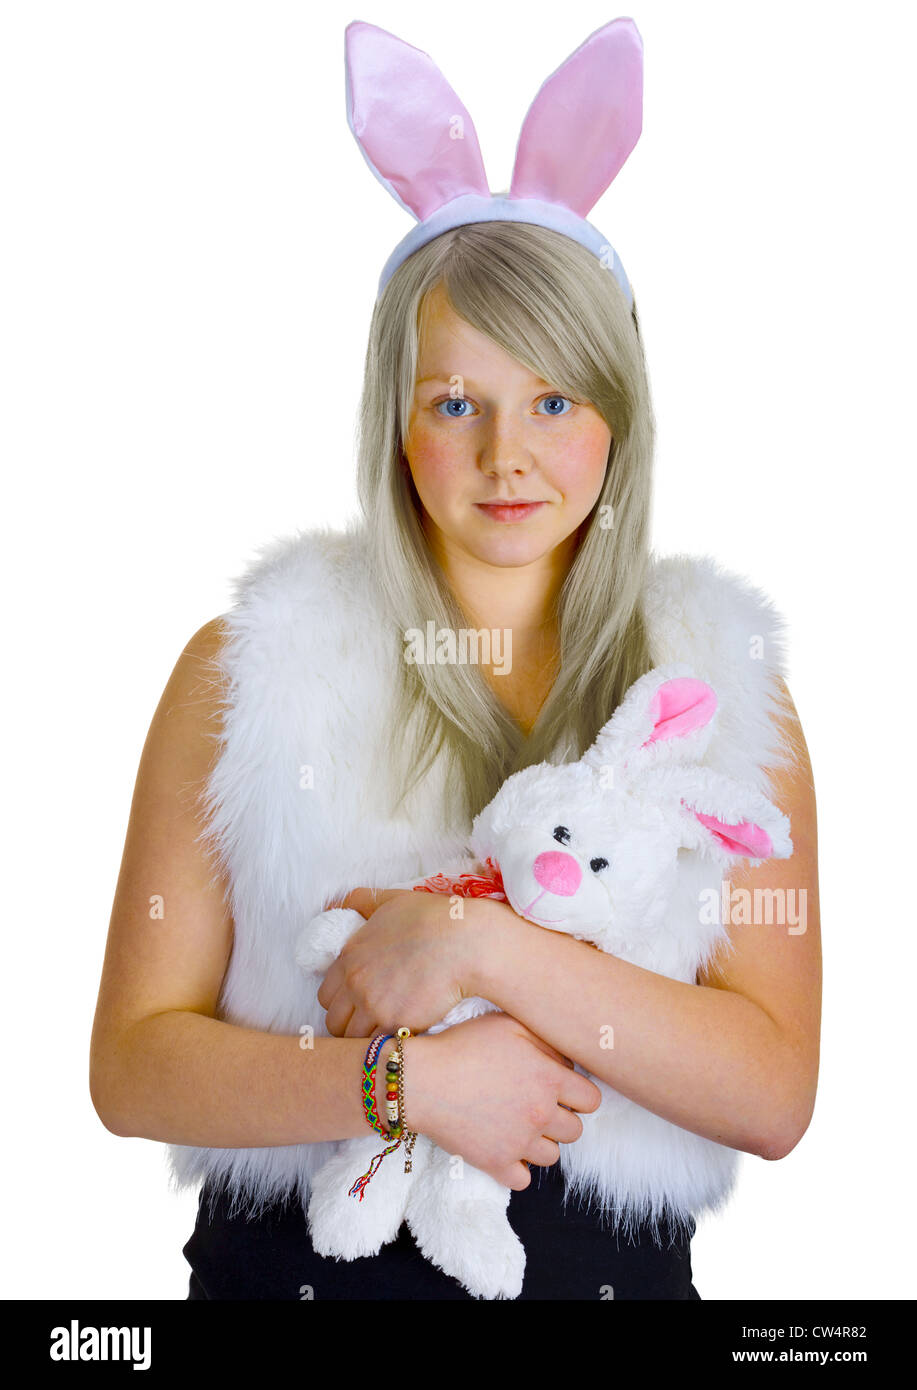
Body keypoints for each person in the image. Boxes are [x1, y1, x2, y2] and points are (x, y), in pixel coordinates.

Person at [88, 20, 821, 1301]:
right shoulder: (251, 667)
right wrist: (407, 1084)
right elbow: (134, 1065)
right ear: (396, 419)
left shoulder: (716, 691)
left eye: (552, 400)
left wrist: (481, 951)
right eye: (453, 403)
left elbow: (770, 1092)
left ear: (617, 412)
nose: (506, 457)